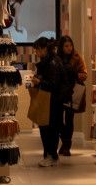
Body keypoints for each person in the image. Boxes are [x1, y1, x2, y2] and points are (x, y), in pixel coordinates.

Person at [28, 37, 65, 167]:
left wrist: (40, 82)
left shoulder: (52, 63)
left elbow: (54, 84)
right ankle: (50, 155)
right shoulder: (50, 61)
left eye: (37, 49)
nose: (36, 52)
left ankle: (51, 155)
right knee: (48, 128)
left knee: (49, 129)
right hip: (50, 100)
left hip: (52, 101)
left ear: (44, 49)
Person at [57, 35, 88, 156]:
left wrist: (74, 74)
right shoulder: (57, 58)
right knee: (59, 121)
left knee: (69, 121)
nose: (69, 48)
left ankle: (66, 146)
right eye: (66, 46)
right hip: (59, 93)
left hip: (72, 92)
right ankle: (63, 144)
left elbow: (84, 74)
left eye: (70, 45)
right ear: (61, 47)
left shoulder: (77, 57)